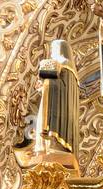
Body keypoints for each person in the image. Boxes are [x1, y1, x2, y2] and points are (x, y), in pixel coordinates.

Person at [14, 39, 80, 171]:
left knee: (49, 131)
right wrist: (43, 86)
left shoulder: (62, 63)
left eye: (54, 50)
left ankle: (51, 147)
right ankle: (53, 147)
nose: (52, 54)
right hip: (60, 109)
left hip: (54, 107)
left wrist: (45, 83)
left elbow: (50, 78)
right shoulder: (72, 73)